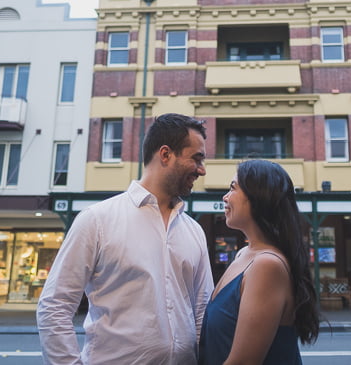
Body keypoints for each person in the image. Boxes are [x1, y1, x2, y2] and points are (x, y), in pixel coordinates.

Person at [37, 113, 214, 365]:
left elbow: (201, 310)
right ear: (165, 154)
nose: (202, 170)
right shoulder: (96, 220)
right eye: (196, 159)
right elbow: (54, 306)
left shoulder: (194, 231)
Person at [199, 159, 320, 365]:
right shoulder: (244, 254)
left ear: (258, 197)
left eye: (232, 188)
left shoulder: (267, 265)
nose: (225, 197)